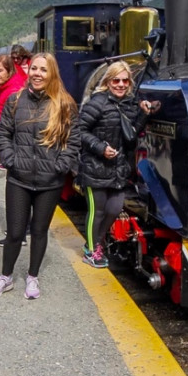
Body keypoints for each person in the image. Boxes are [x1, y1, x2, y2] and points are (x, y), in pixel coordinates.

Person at [0, 53, 80, 300]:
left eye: (43, 70)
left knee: (39, 231)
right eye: (34, 68)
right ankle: (5, 276)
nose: (37, 74)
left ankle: (32, 276)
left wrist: (61, 165)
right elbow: (4, 134)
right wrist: (10, 160)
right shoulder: (15, 100)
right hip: (19, 178)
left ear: (52, 74)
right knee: (15, 233)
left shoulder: (65, 104)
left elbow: (73, 140)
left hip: (50, 182)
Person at [75, 62, 157, 267]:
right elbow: (79, 130)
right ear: (108, 81)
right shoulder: (97, 103)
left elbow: (131, 137)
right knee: (98, 211)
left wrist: (143, 116)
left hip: (117, 168)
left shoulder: (130, 104)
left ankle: (98, 242)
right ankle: (91, 250)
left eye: (124, 80)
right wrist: (100, 147)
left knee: (114, 208)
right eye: (116, 80)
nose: (120, 84)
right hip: (95, 166)